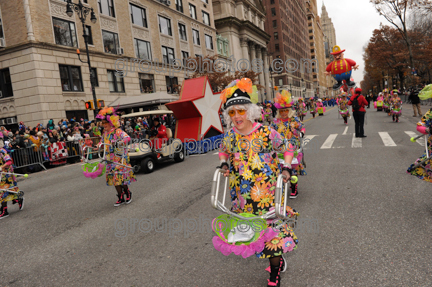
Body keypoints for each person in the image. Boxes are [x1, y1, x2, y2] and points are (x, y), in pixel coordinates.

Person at [217, 78, 298, 287]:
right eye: (232, 113)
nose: (236, 117)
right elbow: (223, 150)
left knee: (272, 236)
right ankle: (275, 262)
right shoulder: (230, 136)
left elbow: (288, 147)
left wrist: (287, 168)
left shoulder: (265, 132)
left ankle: (275, 274)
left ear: (250, 111)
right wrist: (224, 164)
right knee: (254, 235)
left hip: (267, 195)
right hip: (243, 199)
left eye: (241, 111)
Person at [96, 107, 137, 206]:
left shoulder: (117, 131)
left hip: (119, 159)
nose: (103, 125)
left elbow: (127, 138)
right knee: (114, 180)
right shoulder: (105, 133)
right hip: (110, 159)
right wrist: (98, 146)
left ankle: (127, 192)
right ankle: (120, 196)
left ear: (111, 123)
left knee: (120, 178)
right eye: (103, 123)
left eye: (105, 123)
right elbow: (102, 142)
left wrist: (119, 143)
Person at [270, 90, 306, 199]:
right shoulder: (275, 121)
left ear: (289, 110)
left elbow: (302, 127)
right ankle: (281, 186)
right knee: (280, 168)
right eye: (281, 111)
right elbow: (270, 131)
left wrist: (302, 132)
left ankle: (294, 187)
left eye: (285, 110)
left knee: (293, 170)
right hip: (280, 148)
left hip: (293, 147)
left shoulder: (294, 119)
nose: (284, 113)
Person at [0, 148, 24, 219]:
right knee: (9, 191)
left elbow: (9, 162)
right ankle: (18, 200)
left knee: (3, 191)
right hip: (1, 175)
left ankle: (5, 211)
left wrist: (1, 167)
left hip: (5, 174)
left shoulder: (2, 151)